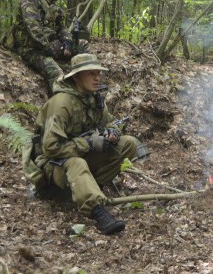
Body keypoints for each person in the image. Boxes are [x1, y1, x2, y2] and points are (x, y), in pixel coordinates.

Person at [22, 53, 138, 235]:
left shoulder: (94, 99)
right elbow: (51, 148)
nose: (97, 77)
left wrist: (112, 132)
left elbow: (110, 123)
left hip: (78, 157)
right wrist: (89, 143)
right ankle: (98, 211)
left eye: (98, 73)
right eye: (90, 73)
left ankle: (88, 187)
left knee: (128, 144)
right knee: (77, 162)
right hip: (52, 165)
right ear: (76, 77)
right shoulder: (61, 104)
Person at [1, 0, 89, 92]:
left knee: (83, 44)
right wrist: (52, 48)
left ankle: (85, 77)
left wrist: (67, 42)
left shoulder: (53, 6)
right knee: (56, 72)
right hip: (29, 48)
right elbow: (34, 29)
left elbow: (62, 28)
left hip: (48, 44)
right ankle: (60, 101)